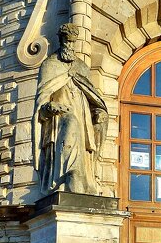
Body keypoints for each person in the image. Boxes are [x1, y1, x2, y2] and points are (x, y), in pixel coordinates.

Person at [32, 23, 109, 196]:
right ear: (61, 40)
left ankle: (83, 182)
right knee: (71, 123)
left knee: (77, 126)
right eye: (67, 41)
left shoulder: (81, 67)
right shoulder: (50, 65)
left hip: (83, 120)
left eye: (73, 42)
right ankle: (67, 179)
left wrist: (100, 113)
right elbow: (41, 103)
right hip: (58, 120)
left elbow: (92, 98)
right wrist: (50, 107)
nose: (70, 46)